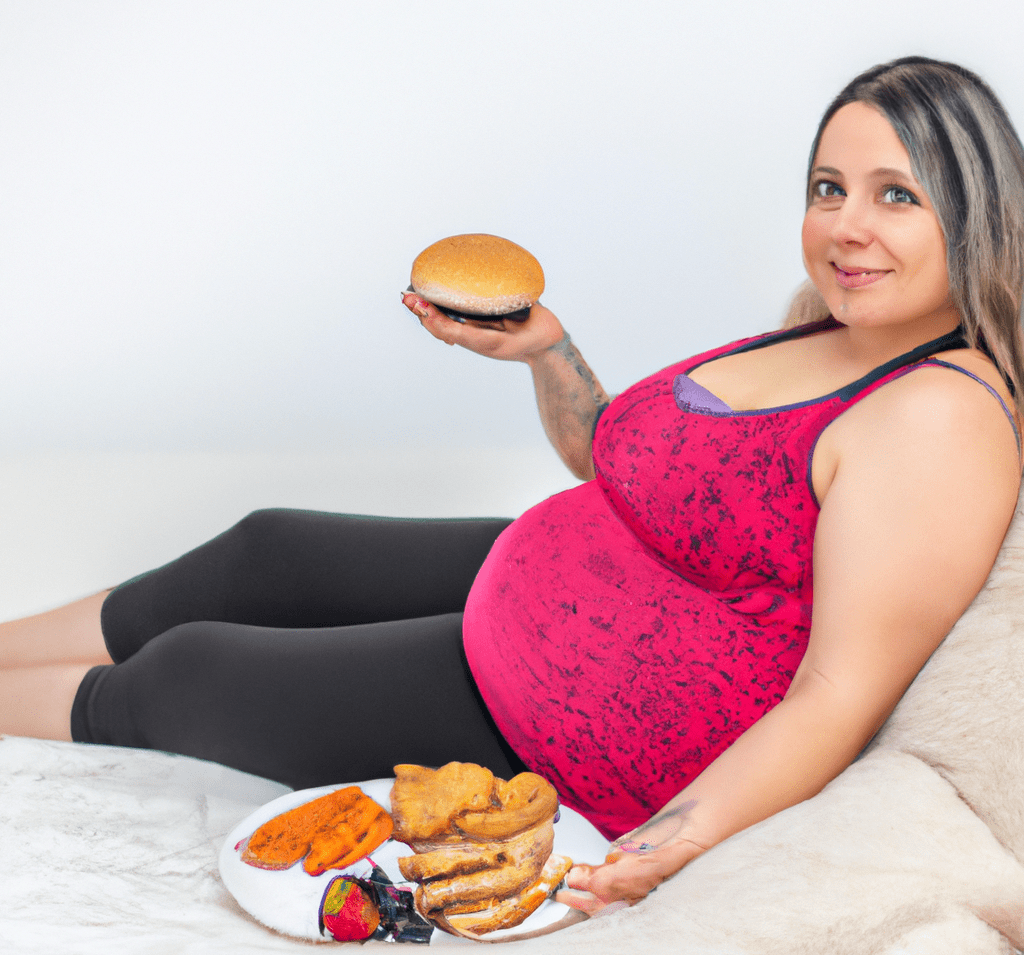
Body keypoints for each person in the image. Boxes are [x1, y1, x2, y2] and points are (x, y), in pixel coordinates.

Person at [2, 57, 1022, 918]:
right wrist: (548, 353)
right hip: (551, 583)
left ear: (977, 212)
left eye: (896, 194)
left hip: (566, 724)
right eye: (827, 187)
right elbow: (623, 469)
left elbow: (837, 693)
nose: (846, 225)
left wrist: (665, 849)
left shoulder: (940, 416)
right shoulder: (832, 326)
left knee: (190, 677)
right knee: (267, 550)